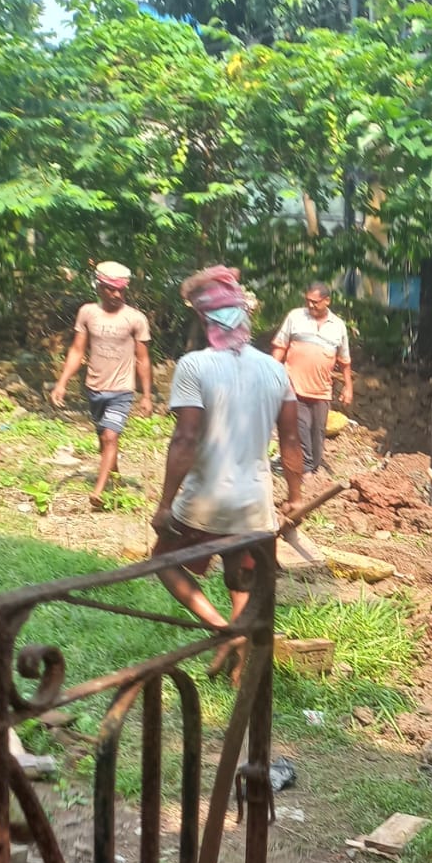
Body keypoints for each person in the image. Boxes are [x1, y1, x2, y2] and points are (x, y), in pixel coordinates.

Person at [151, 265, 304, 679]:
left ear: (206, 321)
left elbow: (185, 438)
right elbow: (291, 441)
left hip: (204, 502)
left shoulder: (194, 366)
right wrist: (295, 497)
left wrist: (165, 504)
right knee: (242, 576)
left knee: (162, 560)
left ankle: (222, 629)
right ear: (244, 319)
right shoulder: (276, 370)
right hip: (254, 505)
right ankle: (239, 664)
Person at [50, 261, 153, 508]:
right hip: (94, 388)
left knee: (110, 436)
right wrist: (61, 383)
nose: (116, 294)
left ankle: (99, 491)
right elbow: (77, 351)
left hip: (122, 390)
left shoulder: (135, 319)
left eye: (121, 290)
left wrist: (147, 395)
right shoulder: (87, 313)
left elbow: (143, 359)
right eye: (111, 289)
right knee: (103, 438)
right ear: (99, 287)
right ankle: (115, 479)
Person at [271, 281, 352, 477]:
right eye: (307, 300)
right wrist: (271, 371)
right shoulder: (295, 317)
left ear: (327, 301)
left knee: (318, 433)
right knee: (301, 428)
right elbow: (280, 346)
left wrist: (348, 386)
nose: (310, 305)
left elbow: (344, 360)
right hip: (294, 386)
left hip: (321, 390)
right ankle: (305, 469)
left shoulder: (338, 326)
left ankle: (312, 467)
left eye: (315, 302)